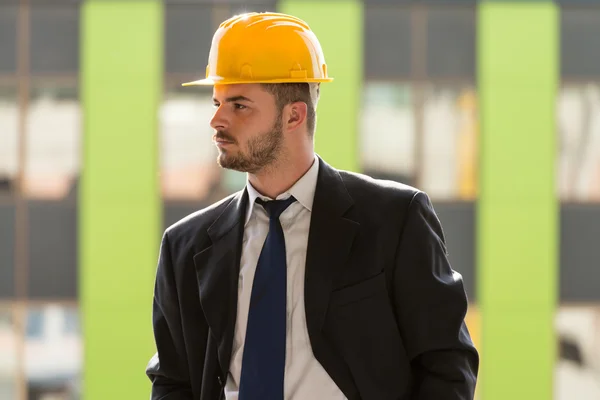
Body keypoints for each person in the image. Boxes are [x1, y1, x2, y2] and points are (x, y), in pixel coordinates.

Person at [146, 12, 479, 400]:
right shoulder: (184, 246)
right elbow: (173, 380)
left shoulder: (394, 219)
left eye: (239, 105)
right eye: (217, 101)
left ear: (294, 114)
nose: (216, 119)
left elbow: (447, 363)